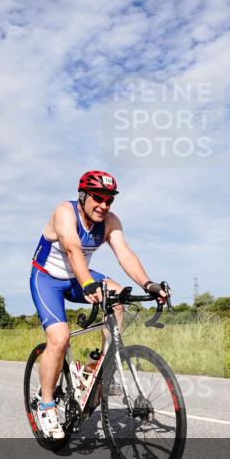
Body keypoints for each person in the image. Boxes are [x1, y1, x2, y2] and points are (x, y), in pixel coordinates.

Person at [29, 170, 168, 438]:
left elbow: (125, 254)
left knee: (118, 298)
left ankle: (99, 371)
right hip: (47, 279)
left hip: (80, 277)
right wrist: (87, 284)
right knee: (59, 338)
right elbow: (72, 247)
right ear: (83, 196)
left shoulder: (110, 222)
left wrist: (148, 284)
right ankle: (45, 405)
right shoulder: (65, 212)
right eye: (98, 198)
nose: (103, 205)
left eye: (109, 200)